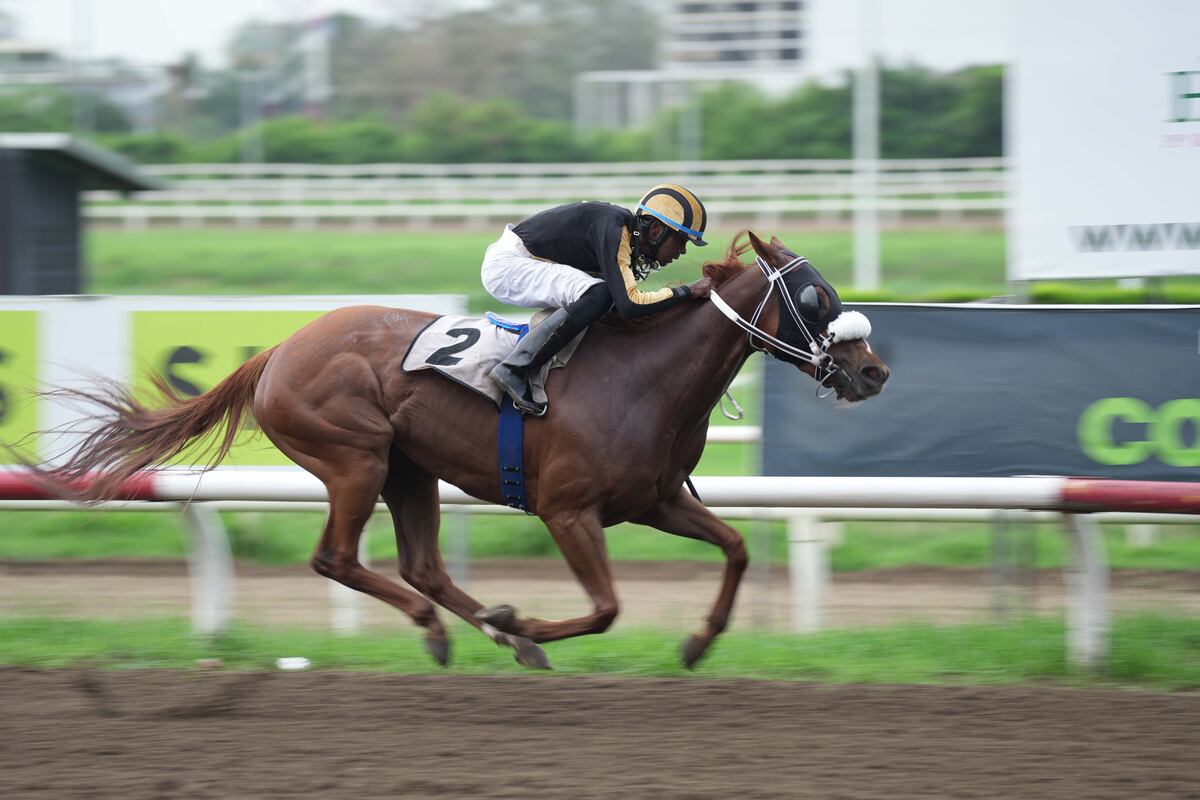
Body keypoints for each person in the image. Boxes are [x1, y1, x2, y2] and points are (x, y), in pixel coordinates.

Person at [481, 184, 714, 416]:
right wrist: (687, 292)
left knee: (605, 297)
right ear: (655, 230)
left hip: (524, 260)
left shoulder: (621, 231)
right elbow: (630, 304)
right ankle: (516, 367)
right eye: (681, 241)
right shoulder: (615, 229)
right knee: (600, 294)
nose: (682, 251)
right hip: (508, 266)